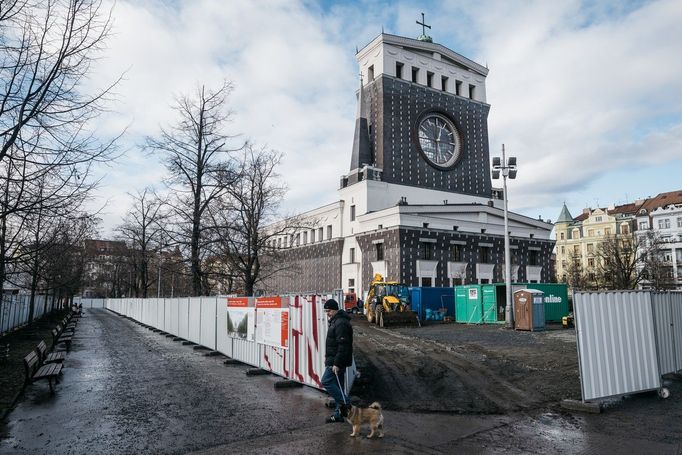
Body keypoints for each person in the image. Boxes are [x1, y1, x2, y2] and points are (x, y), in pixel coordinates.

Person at [321, 298, 353, 423]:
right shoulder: (336, 321)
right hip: (334, 360)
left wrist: (336, 363)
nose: (327, 313)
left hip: (336, 361)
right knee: (338, 387)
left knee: (326, 381)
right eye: (326, 311)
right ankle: (339, 414)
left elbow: (343, 345)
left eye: (328, 310)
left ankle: (347, 403)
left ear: (334, 309)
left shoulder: (341, 323)